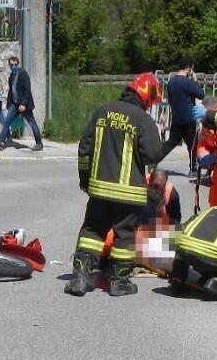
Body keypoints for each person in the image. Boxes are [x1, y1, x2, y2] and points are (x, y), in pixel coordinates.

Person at [67, 73, 164, 297]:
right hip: (129, 193)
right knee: (124, 235)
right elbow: (152, 154)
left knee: (92, 230)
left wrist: (85, 179)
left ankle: (80, 279)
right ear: (147, 96)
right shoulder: (142, 119)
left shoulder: (102, 111)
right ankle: (119, 282)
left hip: (99, 189)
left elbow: (84, 149)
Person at [159, 58, 205, 165]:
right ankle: (193, 168)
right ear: (188, 68)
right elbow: (201, 94)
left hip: (176, 117)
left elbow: (170, 99)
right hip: (189, 117)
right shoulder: (188, 82)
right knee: (192, 143)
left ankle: (155, 159)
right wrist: (195, 80)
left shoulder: (171, 82)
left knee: (171, 142)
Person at [0, 56, 43, 152]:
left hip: (25, 104)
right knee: (6, 122)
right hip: (15, 104)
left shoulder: (23, 74)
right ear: (9, 65)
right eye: (12, 65)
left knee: (32, 123)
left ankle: (39, 143)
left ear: (18, 64)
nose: (14, 66)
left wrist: (24, 104)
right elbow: (12, 91)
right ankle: (1, 142)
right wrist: (9, 104)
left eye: (15, 64)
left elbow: (27, 90)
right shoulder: (12, 75)